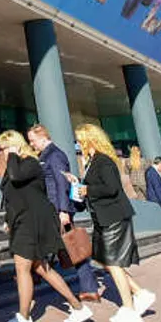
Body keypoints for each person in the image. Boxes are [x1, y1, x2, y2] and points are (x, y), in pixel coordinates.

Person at [0, 131, 93, 322]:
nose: (1, 153)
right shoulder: (16, 165)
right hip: (23, 221)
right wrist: (8, 219)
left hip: (32, 223)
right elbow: (13, 196)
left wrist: (13, 154)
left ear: (15, 146)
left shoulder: (30, 163)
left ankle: (24, 318)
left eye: (4, 148)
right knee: (42, 268)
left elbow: (16, 178)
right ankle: (78, 308)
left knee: (22, 269)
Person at [72, 123, 153, 322]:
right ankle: (140, 293)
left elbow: (111, 188)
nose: (78, 144)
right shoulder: (91, 162)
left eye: (80, 140)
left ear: (90, 140)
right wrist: (79, 186)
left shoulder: (104, 161)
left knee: (113, 262)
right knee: (106, 261)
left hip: (113, 217)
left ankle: (129, 309)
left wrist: (88, 190)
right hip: (103, 217)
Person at [27, 124, 100, 303]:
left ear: (43, 137)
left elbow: (62, 184)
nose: (31, 144)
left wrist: (64, 211)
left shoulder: (55, 155)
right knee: (70, 247)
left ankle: (31, 276)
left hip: (57, 210)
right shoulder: (46, 155)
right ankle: (89, 288)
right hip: (52, 209)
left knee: (71, 246)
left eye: (33, 140)